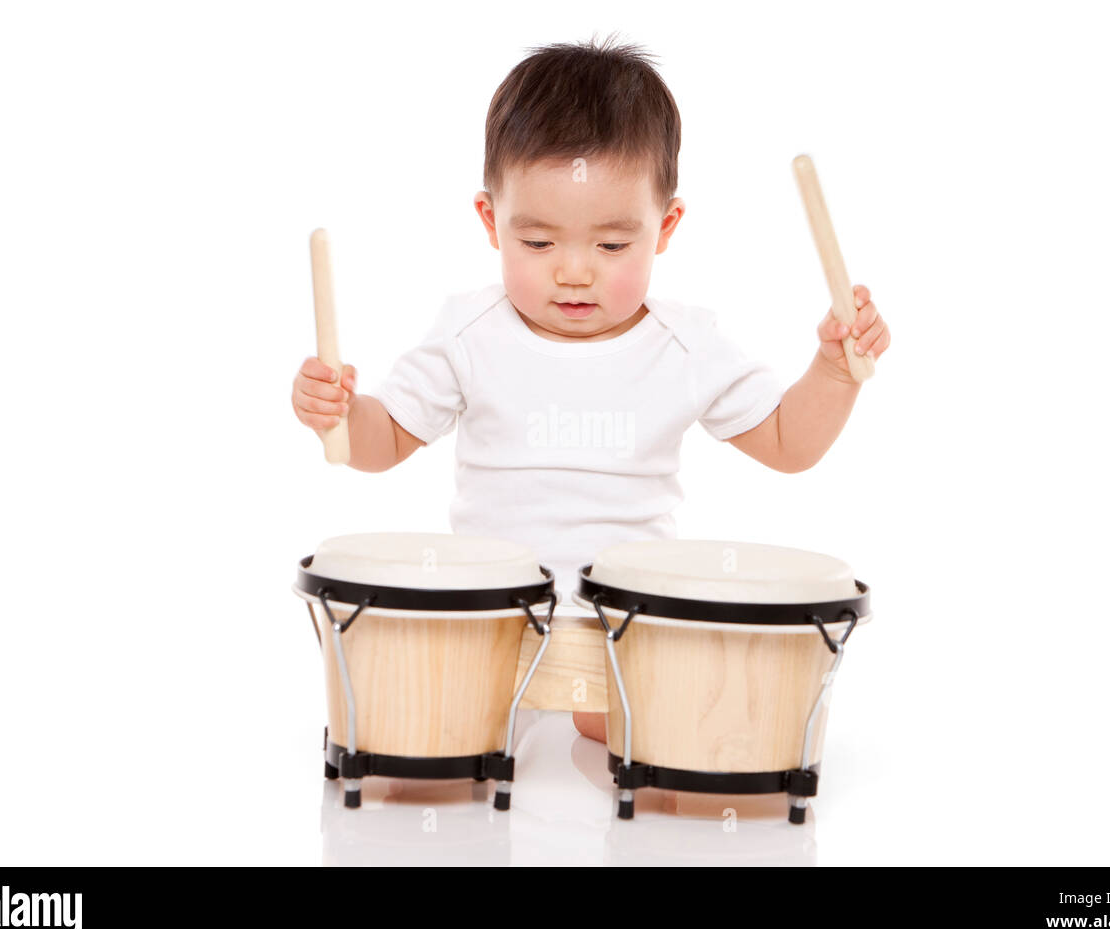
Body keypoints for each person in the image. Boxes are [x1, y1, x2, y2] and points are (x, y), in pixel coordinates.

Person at [290, 35, 890, 744]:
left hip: (630, 623)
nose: (574, 272)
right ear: (491, 222)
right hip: (492, 619)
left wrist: (832, 370)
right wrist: (340, 412)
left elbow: (791, 443)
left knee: (660, 729)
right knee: (430, 729)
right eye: (538, 244)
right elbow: (383, 439)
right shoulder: (469, 331)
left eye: (611, 246)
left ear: (664, 228)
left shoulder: (687, 344)